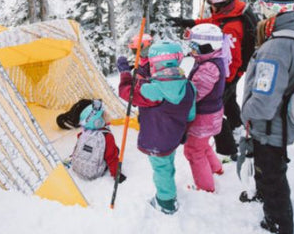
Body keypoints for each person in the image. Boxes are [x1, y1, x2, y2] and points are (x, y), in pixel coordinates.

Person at [240, 0, 294, 234]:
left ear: (272, 6)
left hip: (269, 126)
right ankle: (264, 196)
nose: (260, 8)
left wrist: (246, 114)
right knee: (269, 168)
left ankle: (278, 223)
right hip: (277, 122)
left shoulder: (276, 47)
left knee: (272, 175)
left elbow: (264, 101)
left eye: (262, 2)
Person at [170, 0, 248, 160]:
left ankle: (228, 150)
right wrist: (190, 22)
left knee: (214, 110)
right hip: (225, 73)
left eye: (213, 5)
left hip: (226, 74)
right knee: (228, 106)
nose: (211, 9)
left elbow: (234, 59)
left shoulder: (232, 27)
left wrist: (225, 81)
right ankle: (239, 133)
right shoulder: (229, 13)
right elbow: (214, 22)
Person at [117, 41, 196, 214]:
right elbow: (190, 114)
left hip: (156, 140)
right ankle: (169, 188)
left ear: (154, 63)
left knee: (161, 169)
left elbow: (126, 93)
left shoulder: (152, 90)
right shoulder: (189, 86)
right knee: (167, 164)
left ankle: (166, 201)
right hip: (173, 136)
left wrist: (124, 73)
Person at [183, 23, 229, 192]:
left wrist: (179, 92)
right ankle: (216, 169)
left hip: (204, 117)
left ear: (208, 47)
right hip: (211, 116)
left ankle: (205, 188)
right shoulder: (209, 59)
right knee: (203, 146)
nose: (192, 51)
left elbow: (194, 94)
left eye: (195, 47)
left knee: (193, 151)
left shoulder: (208, 68)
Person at [69, 100, 125, 183]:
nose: (107, 114)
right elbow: (112, 158)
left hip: (77, 167)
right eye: (104, 115)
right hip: (94, 172)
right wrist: (117, 174)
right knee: (115, 150)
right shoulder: (107, 137)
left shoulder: (83, 134)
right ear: (98, 122)